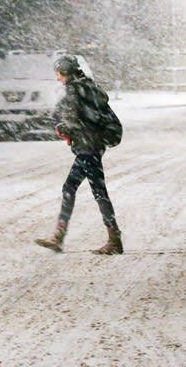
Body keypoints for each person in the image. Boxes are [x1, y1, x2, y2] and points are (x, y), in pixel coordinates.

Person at [34, 55, 123, 255]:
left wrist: (63, 128)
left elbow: (75, 121)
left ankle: (114, 239)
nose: (57, 78)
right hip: (94, 144)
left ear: (64, 72)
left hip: (87, 146)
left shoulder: (74, 90)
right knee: (71, 187)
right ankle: (59, 237)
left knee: (97, 191)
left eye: (58, 74)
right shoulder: (88, 86)